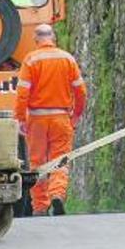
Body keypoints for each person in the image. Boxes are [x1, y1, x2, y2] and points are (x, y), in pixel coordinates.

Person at [15, 24, 87, 216]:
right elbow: (80, 90)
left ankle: (40, 206)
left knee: (37, 162)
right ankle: (57, 194)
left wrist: (20, 118)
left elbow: (22, 94)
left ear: (36, 39)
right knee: (61, 158)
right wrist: (76, 114)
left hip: (37, 119)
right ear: (53, 37)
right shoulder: (67, 59)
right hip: (61, 117)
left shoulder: (31, 60)